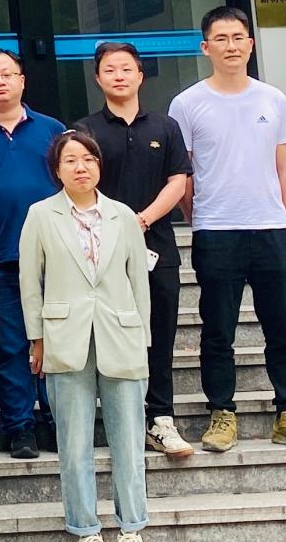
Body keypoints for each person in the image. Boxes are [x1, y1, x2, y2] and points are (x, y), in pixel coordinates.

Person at [172, 6, 286, 454]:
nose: (231, 46)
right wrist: (198, 218)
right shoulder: (187, 103)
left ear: (251, 44)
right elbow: (185, 175)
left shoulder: (273, 99)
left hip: (271, 229)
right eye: (221, 39)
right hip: (216, 231)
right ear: (205, 47)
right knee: (217, 330)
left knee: (282, 326)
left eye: (238, 37)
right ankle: (222, 414)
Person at [19, 129, 155, 542]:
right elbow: (29, 282)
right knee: (74, 445)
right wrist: (37, 338)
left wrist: (143, 338)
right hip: (65, 339)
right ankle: (87, 535)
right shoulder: (41, 215)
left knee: (129, 442)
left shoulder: (123, 216)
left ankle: (131, 533)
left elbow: (139, 283)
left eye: (89, 159)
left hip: (121, 335)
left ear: (99, 164)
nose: (81, 167)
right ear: (56, 169)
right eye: (71, 160)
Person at [71, 42, 195, 458]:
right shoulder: (85, 131)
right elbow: (78, 184)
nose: (119, 76)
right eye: (110, 69)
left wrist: (140, 221)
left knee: (159, 331)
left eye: (126, 68)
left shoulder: (165, 126)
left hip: (156, 245)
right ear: (98, 78)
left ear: (140, 75)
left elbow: (178, 181)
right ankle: (122, 418)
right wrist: (116, 227)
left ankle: (160, 418)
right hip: (99, 249)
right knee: (109, 334)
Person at [0, 47, 66, 460]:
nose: (1, 81)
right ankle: (19, 427)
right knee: (9, 346)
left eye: (8, 73)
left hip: (53, 257)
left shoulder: (52, 129)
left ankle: (57, 420)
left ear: (22, 80)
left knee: (55, 342)